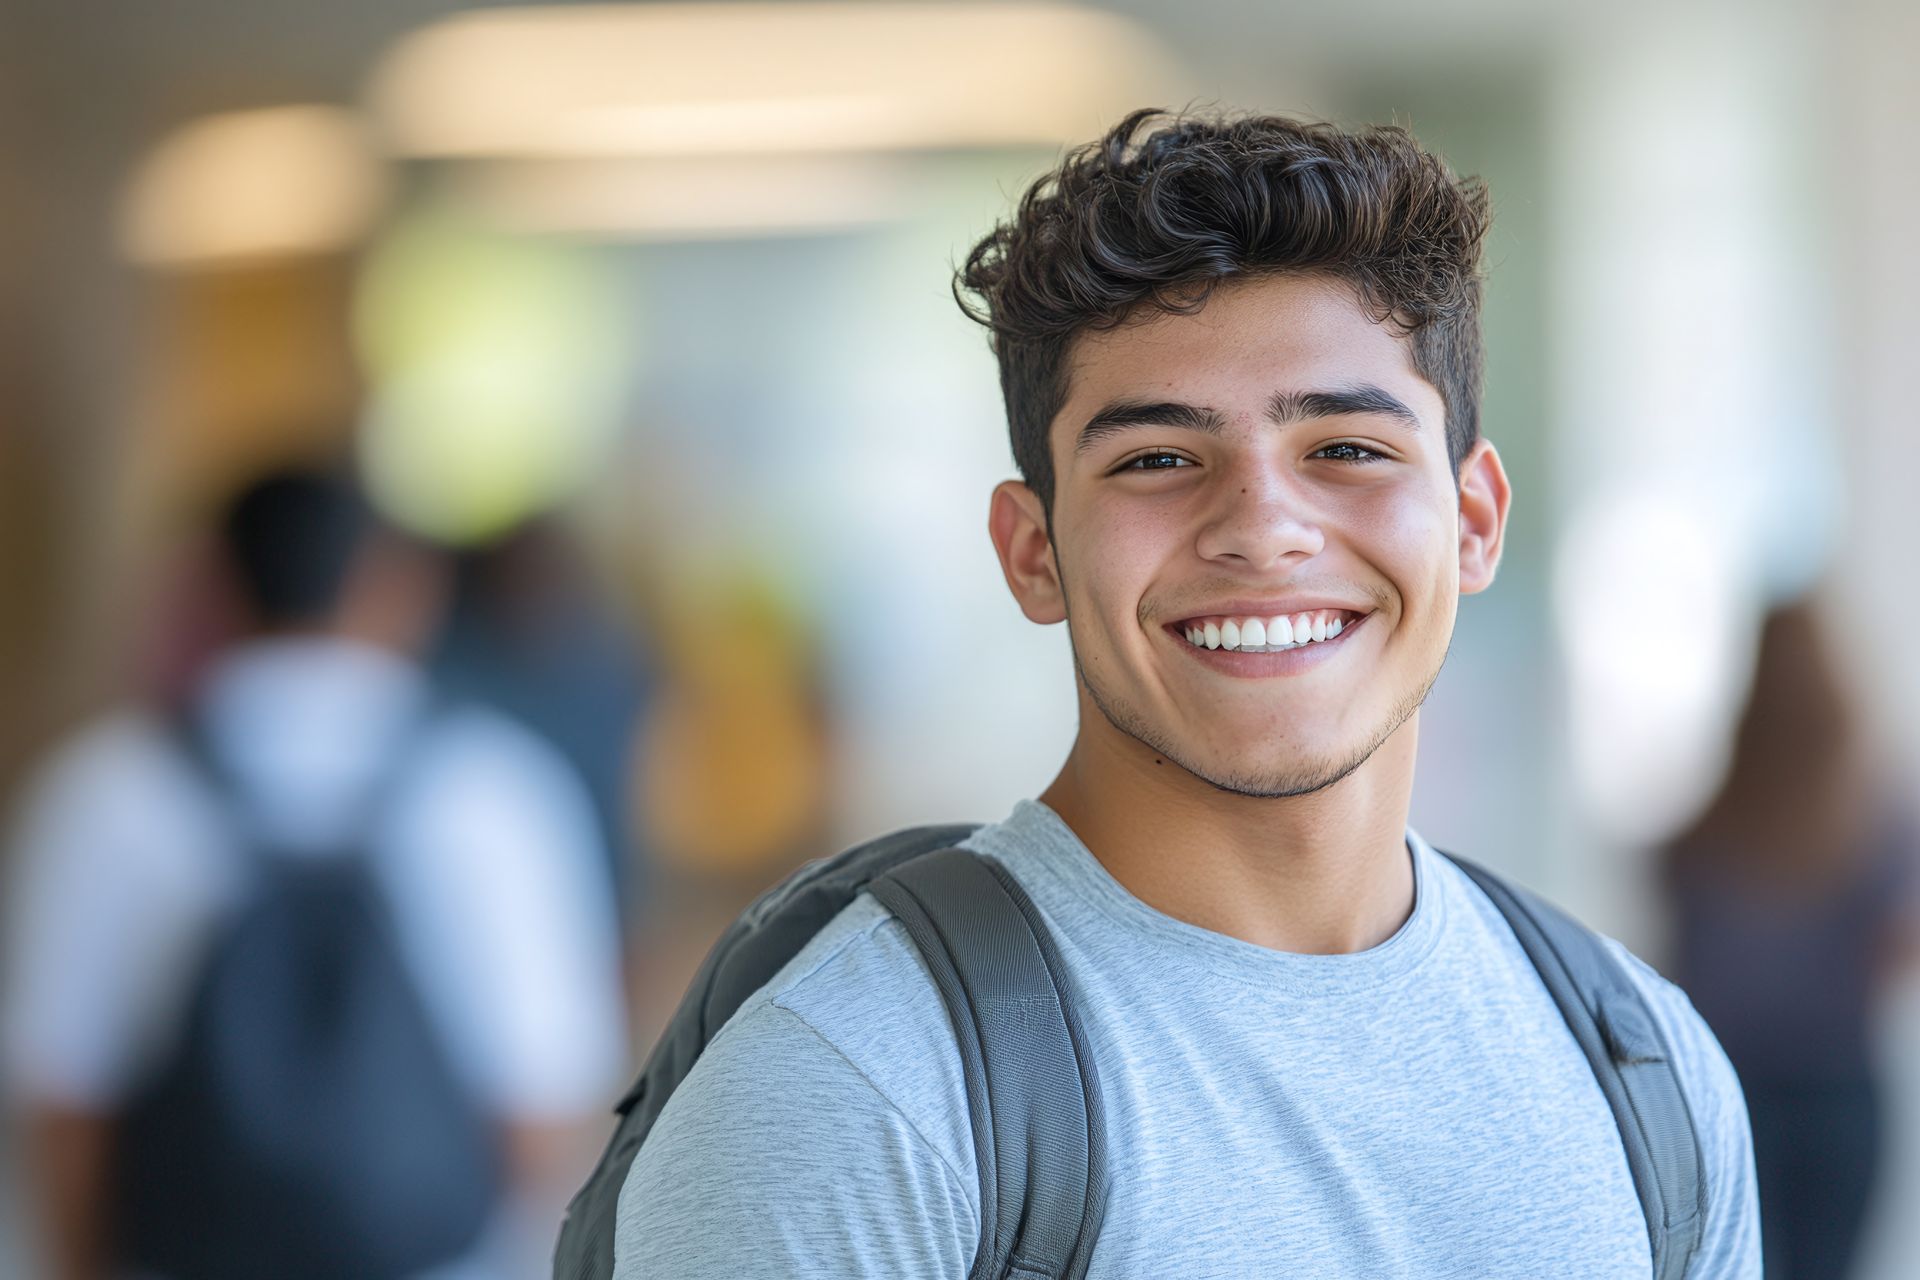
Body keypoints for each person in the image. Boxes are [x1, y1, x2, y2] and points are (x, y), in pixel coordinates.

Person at [612, 110, 1760, 1275]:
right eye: (1157, 459)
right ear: (1034, 551)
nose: (1263, 528)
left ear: (1471, 520)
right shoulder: (855, 1089)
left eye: (1349, 448)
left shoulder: (1649, 1071)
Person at [2, 466, 628, 1280]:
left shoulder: (102, 794)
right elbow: (546, 1109)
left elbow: (64, 1107)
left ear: (212, 584)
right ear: (398, 586)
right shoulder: (497, 795)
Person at [1663, 599, 1920, 1279]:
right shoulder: (1879, 823)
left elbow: (1675, 968)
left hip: (1731, 1089)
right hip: (1839, 1087)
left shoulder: (1703, 830)